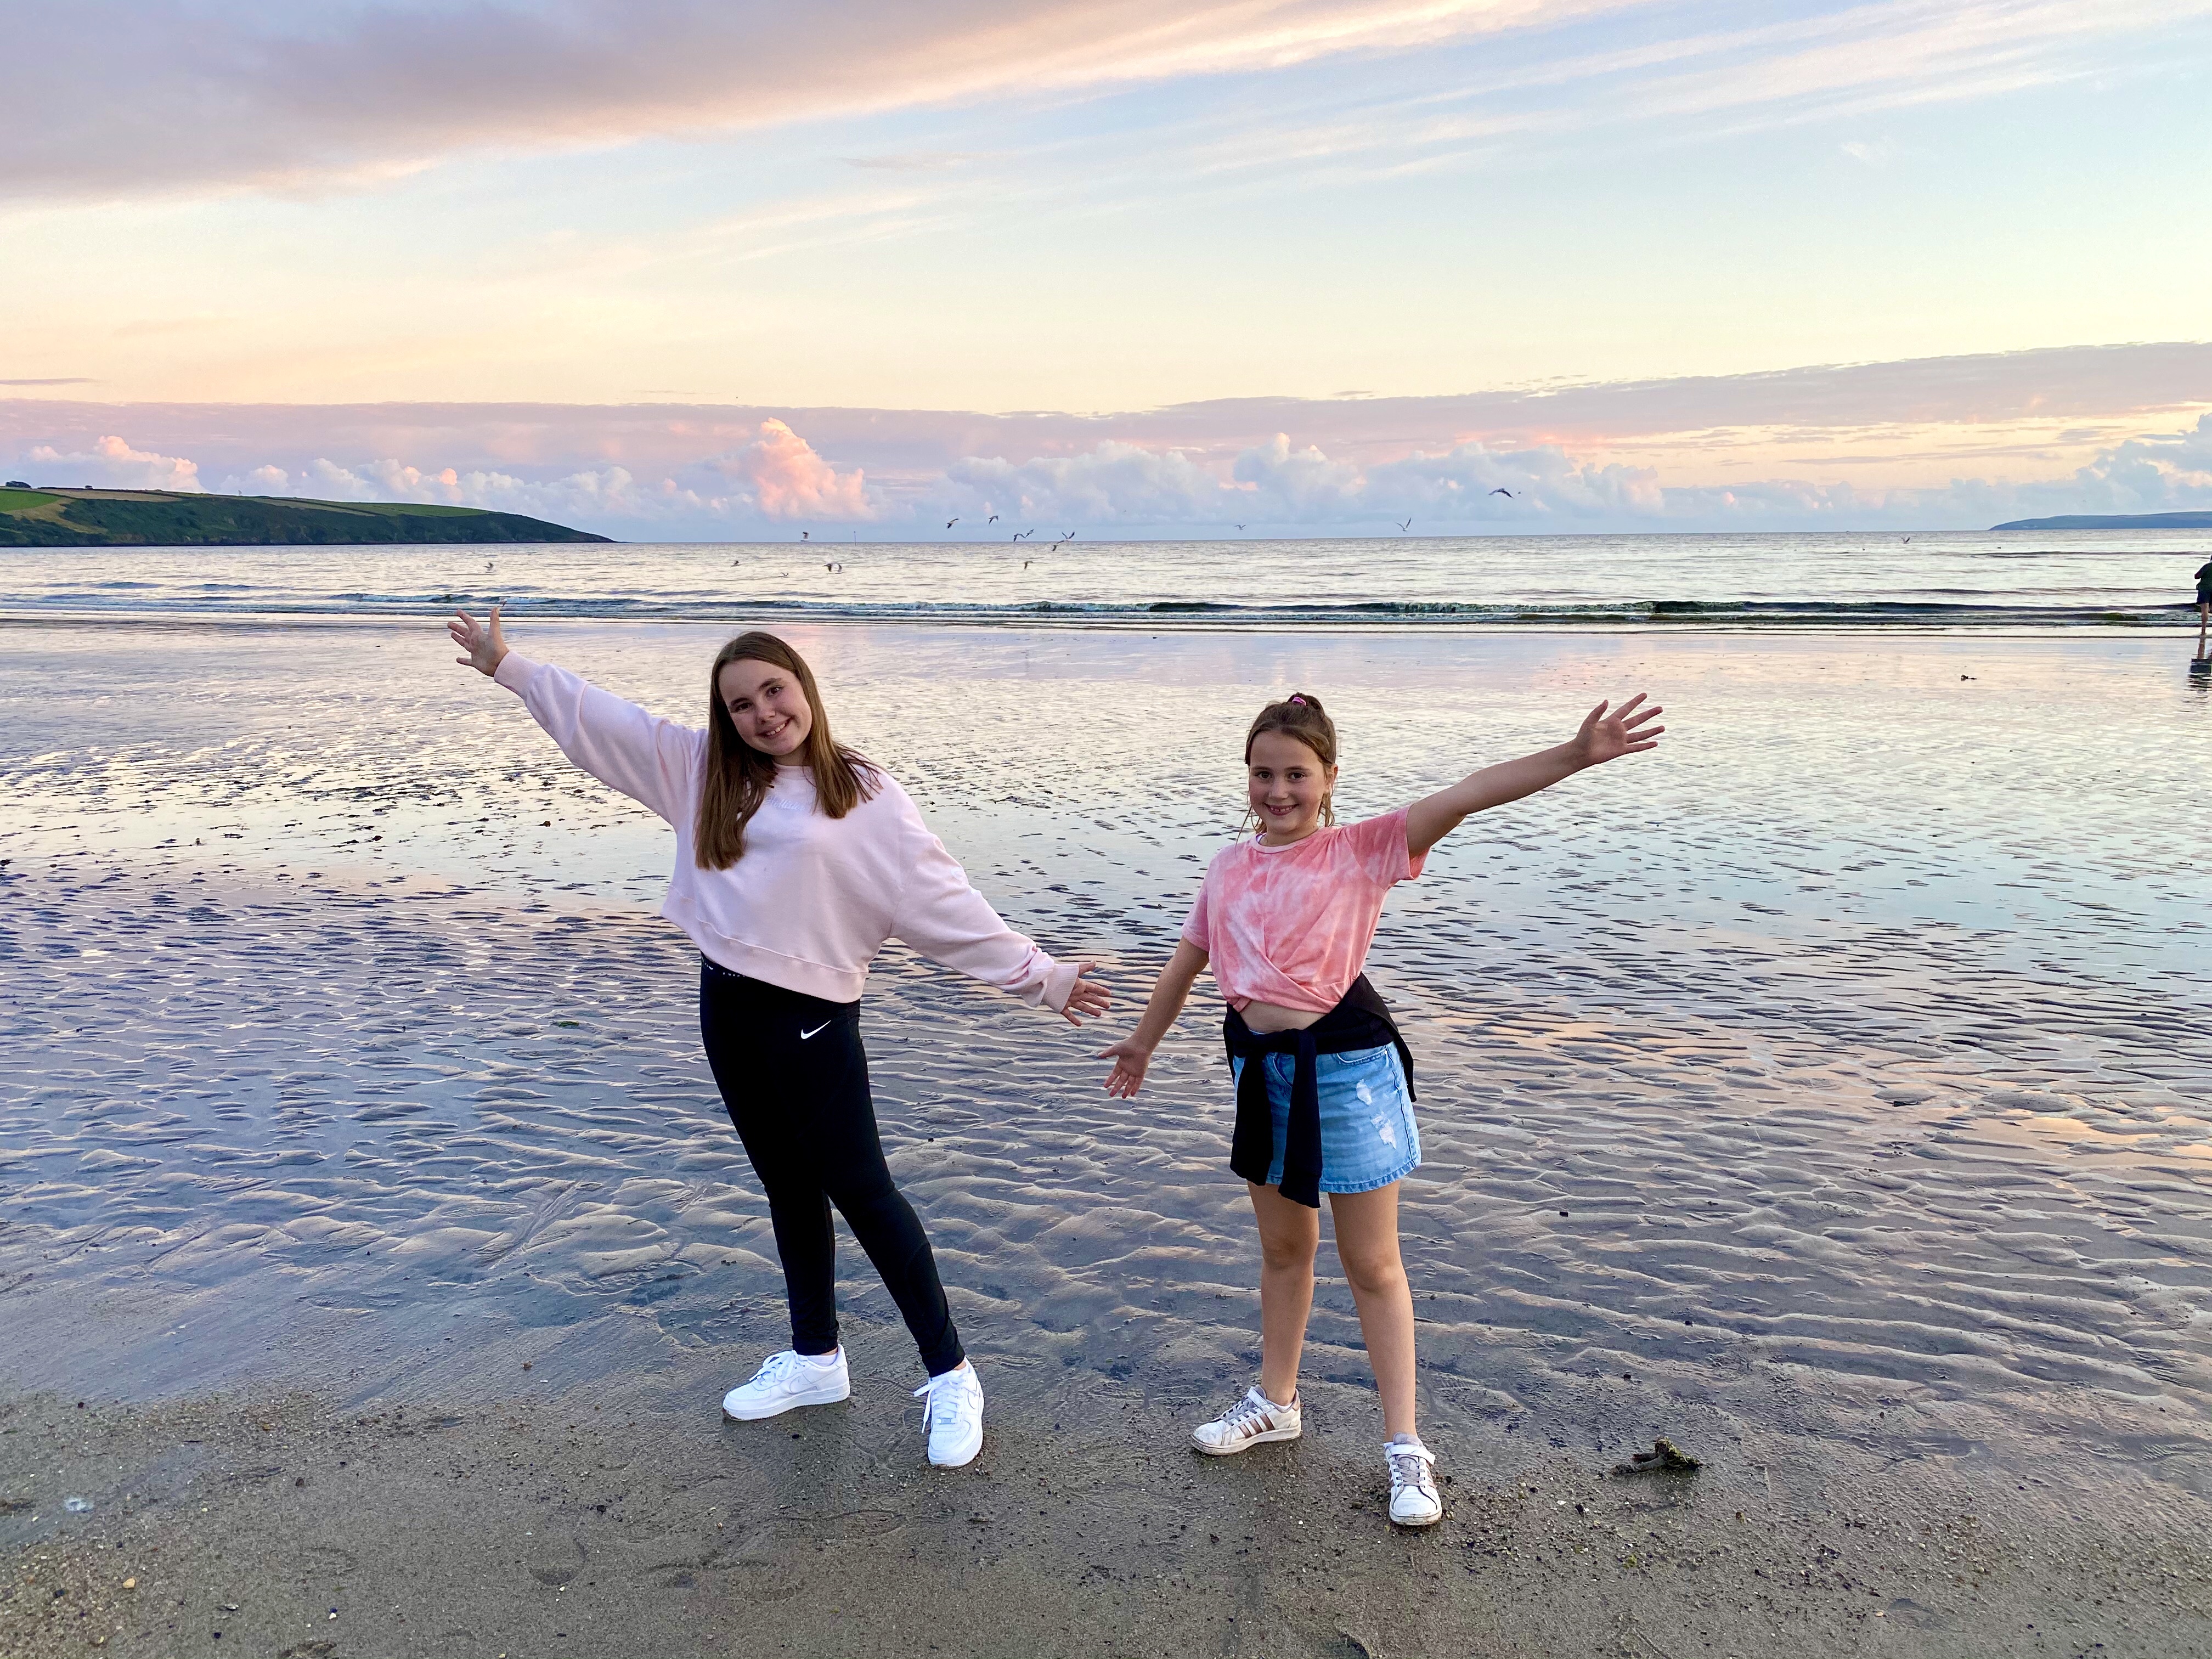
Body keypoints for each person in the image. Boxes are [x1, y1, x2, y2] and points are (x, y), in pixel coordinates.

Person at [448, 608, 1109, 1469]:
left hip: (813, 1018)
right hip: (725, 1006)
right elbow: (600, 721)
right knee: (788, 1189)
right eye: (741, 704)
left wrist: (1040, 975)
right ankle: (815, 1359)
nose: (763, 713)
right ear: (724, 717)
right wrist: (508, 666)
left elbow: (938, 897)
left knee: (864, 1193)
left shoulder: (864, 793)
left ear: (805, 688)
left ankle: (952, 1373)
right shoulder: (701, 771)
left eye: (774, 691)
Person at [1099, 688, 1663, 1527]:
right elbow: (1189, 961)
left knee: (1372, 1264)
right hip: (1260, 1071)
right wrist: (1144, 1043)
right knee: (1284, 1249)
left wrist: (1576, 755)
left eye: (1296, 774)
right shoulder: (1228, 868)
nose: (1278, 791)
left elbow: (1469, 793)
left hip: (1348, 1071)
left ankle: (1405, 1445)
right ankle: (1277, 1403)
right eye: (1263, 774)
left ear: (1329, 778)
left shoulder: (1362, 850)